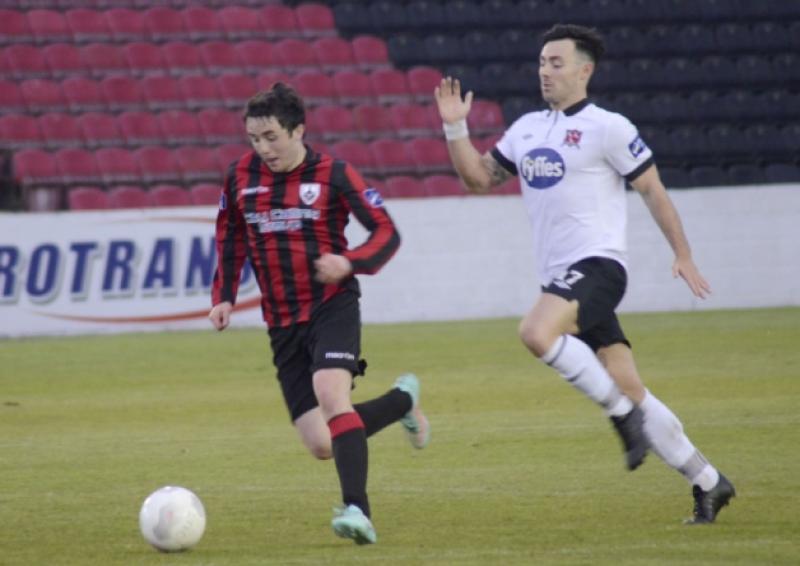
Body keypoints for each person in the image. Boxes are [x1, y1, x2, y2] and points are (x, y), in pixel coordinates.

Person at [434, 24, 734, 524]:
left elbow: (653, 190)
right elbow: (478, 179)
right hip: (560, 279)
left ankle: (621, 418)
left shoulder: (608, 127)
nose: (545, 72)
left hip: (599, 267)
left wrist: (682, 252)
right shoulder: (527, 128)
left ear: (584, 70)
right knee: (631, 385)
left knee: (535, 332)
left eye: (556, 63)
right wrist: (454, 128)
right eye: (541, 63)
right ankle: (709, 481)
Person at [209, 82, 430, 545]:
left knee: (331, 395)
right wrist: (224, 295)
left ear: (298, 130)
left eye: (271, 136)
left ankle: (358, 512)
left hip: (332, 305)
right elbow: (230, 237)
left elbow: (385, 231)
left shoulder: (335, 174)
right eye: (253, 138)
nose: (262, 148)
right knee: (323, 443)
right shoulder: (239, 177)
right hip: (281, 321)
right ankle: (400, 402)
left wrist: (350, 262)